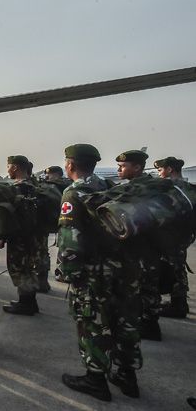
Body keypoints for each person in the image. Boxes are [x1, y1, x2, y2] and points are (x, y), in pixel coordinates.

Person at [59, 144, 141, 402]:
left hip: (95, 271)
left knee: (94, 322)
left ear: (70, 164)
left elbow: (70, 239)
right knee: (124, 320)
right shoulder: (109, 187)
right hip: (124, 267)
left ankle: (95, 379)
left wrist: (69, 272)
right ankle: (127, 376)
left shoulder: (73, 193)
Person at [116, 150, 163, 341]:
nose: (119, 169)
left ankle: (149, 326)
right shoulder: (149, 185)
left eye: (123, 166)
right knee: (148, 285)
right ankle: (149, 323)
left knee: (144, 285)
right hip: (148, 246)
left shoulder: (141, 188)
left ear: (137, 167)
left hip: (144, 246)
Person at [1, 155, 42, 316]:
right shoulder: (33, 185)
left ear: (15, 168)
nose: (8, 170)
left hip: (19, 237)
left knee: (19, 268)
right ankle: (29, 302)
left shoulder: (17, 188)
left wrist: (2, 235)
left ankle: (26, 304)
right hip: (32, 236)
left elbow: (11, 215)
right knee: (27, 269)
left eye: (9, 166)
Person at [154, 156, 191, 318]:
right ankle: (179, 302)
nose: (159, 174)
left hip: (171, 234)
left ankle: (178, 305)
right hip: (184, 234)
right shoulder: (188, 186)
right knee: (178, 267)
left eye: (160, 170)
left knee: (173, 269)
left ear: (169, 170)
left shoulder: (170, 188)